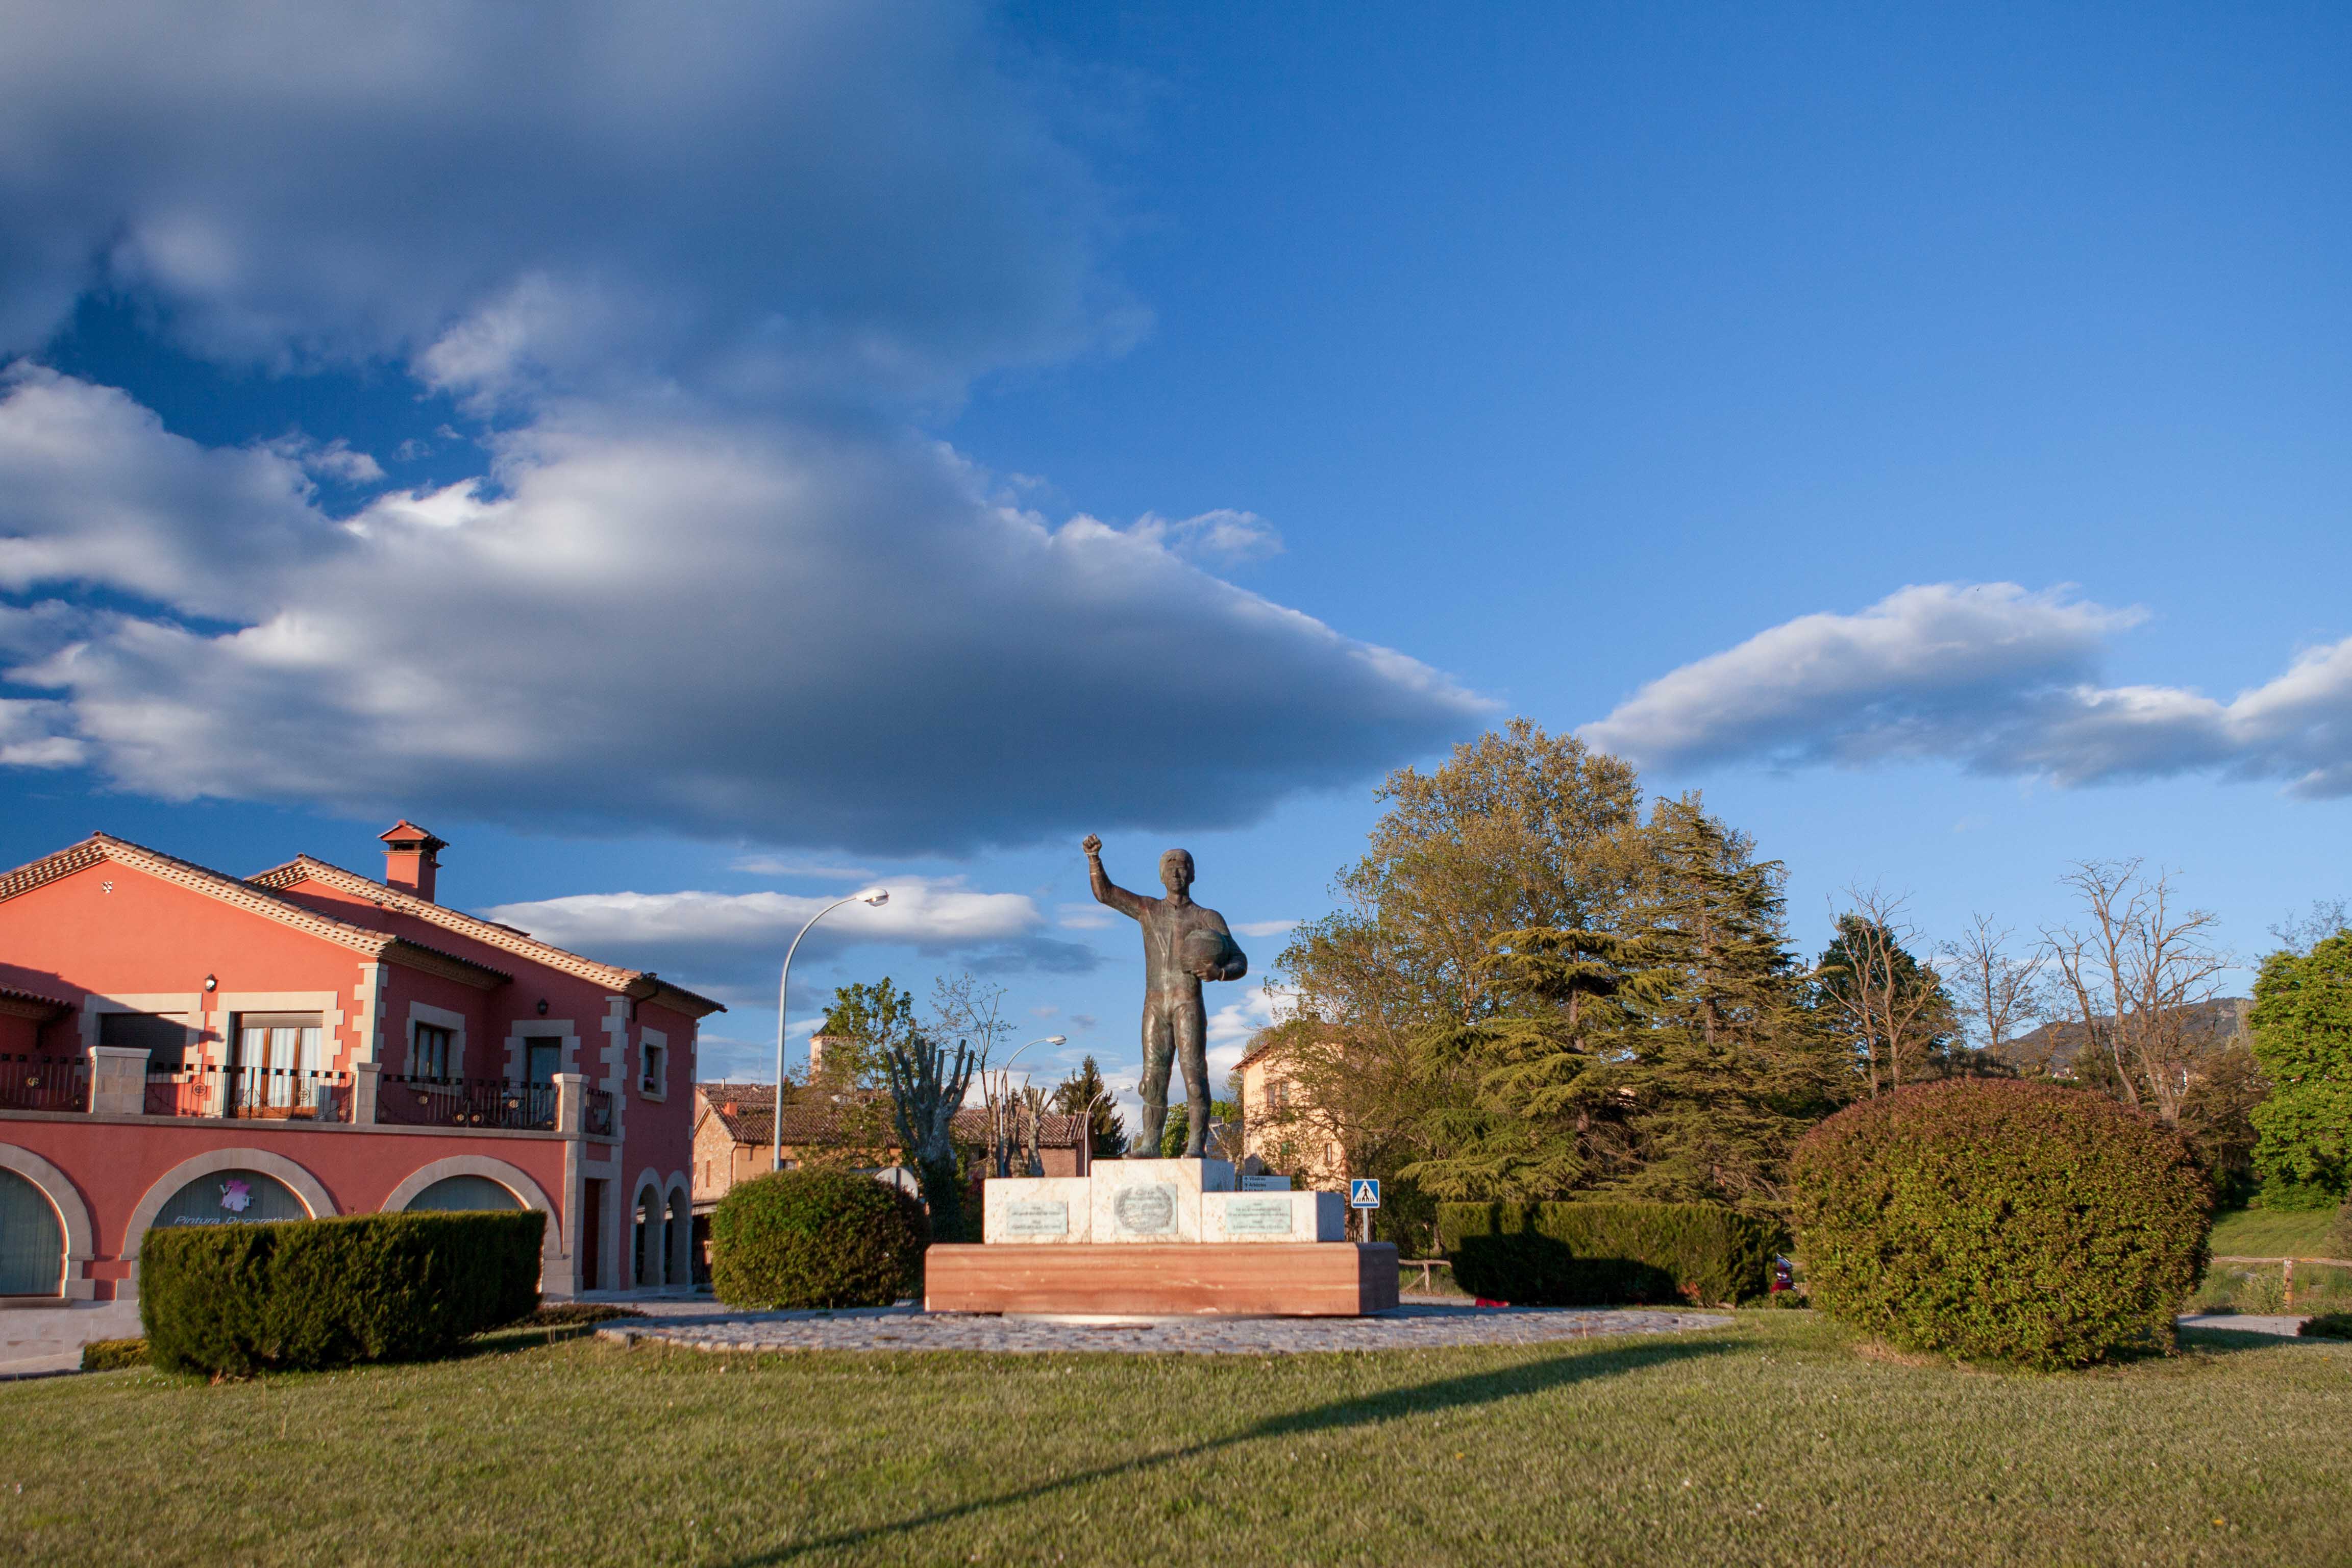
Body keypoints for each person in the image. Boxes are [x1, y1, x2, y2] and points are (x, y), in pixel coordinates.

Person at [1081, 834, 1247, 1159]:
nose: (1176, 873)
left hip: (1188, 1003)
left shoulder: (1207, 918)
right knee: (1153, 1078)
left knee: (1194, 1075)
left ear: (1193, 874)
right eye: (1170, 867)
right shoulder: (1148, 909)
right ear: (1161, 875)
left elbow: (1240, 960)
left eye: (1183, 867)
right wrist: (1094, 860)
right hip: (1155, 1004)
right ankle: (1151, 1144)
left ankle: (1196, 1145)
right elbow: (1106, 894)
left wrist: (1220, 972)